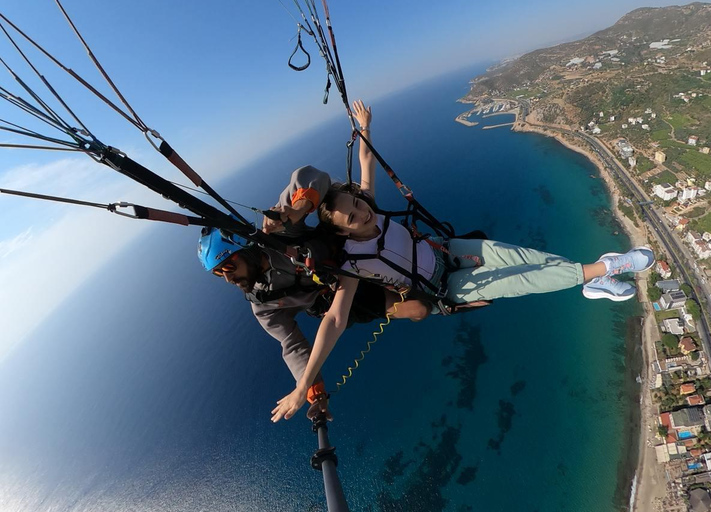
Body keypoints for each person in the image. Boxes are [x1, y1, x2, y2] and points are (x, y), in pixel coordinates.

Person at [269, 100, 654, 422]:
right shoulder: (351, 262)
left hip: (447, 249)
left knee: (525, 257)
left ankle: (592, 278)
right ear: (341, 233)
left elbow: (367, 162)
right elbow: (334, 321)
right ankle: (606, 268)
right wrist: (303, 387)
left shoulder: (368, 206)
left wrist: (365, 127)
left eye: (356, 205)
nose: (361, 214)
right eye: (352, 218)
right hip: (446, 289)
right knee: (520, 281)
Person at [198, 166, 429, 421]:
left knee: (401, 263)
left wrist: (297, 210)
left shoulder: (278, 232)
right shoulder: (263, 304)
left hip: (350, 254)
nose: (229, 278)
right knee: (419, 309)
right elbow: (292, 345)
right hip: (340, 294)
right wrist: (314, 392)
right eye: (219, 274)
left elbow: (310, 176)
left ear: (245, 249)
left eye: (228, 266)